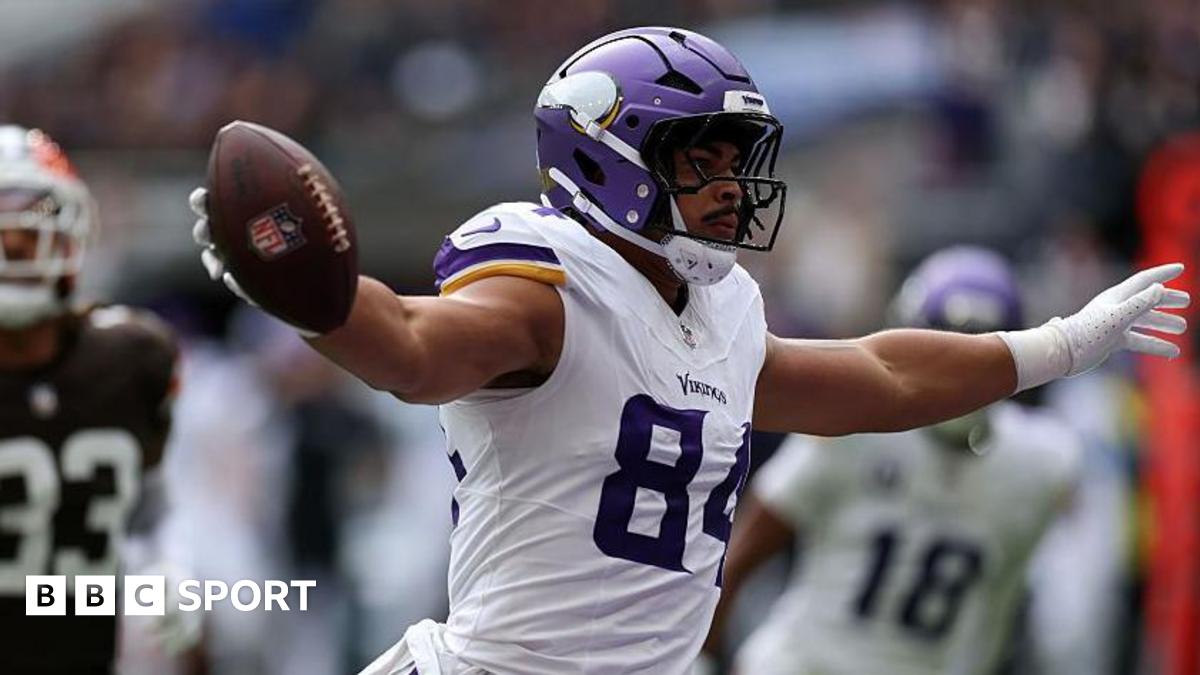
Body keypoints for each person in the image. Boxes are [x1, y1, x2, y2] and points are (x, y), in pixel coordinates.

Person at [188, 27, 1188, 675]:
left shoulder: (724, 307)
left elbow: (879, 374)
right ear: (604, 157)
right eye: (696, 158)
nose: (728, 185)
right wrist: (314, 297)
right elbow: (413, 347)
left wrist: (1058, 344)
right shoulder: (549, 278)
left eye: (733, 160)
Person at [698, 247, 1083, 675]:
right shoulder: (858, 429)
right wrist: (704, 654)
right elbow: (743, 550)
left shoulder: (1041, 460)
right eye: (943, 342)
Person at [0, 124, 195, 673]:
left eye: (30, 223)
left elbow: (149, 507)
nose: (13, 244)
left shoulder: (131, 357)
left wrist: (166, 564)